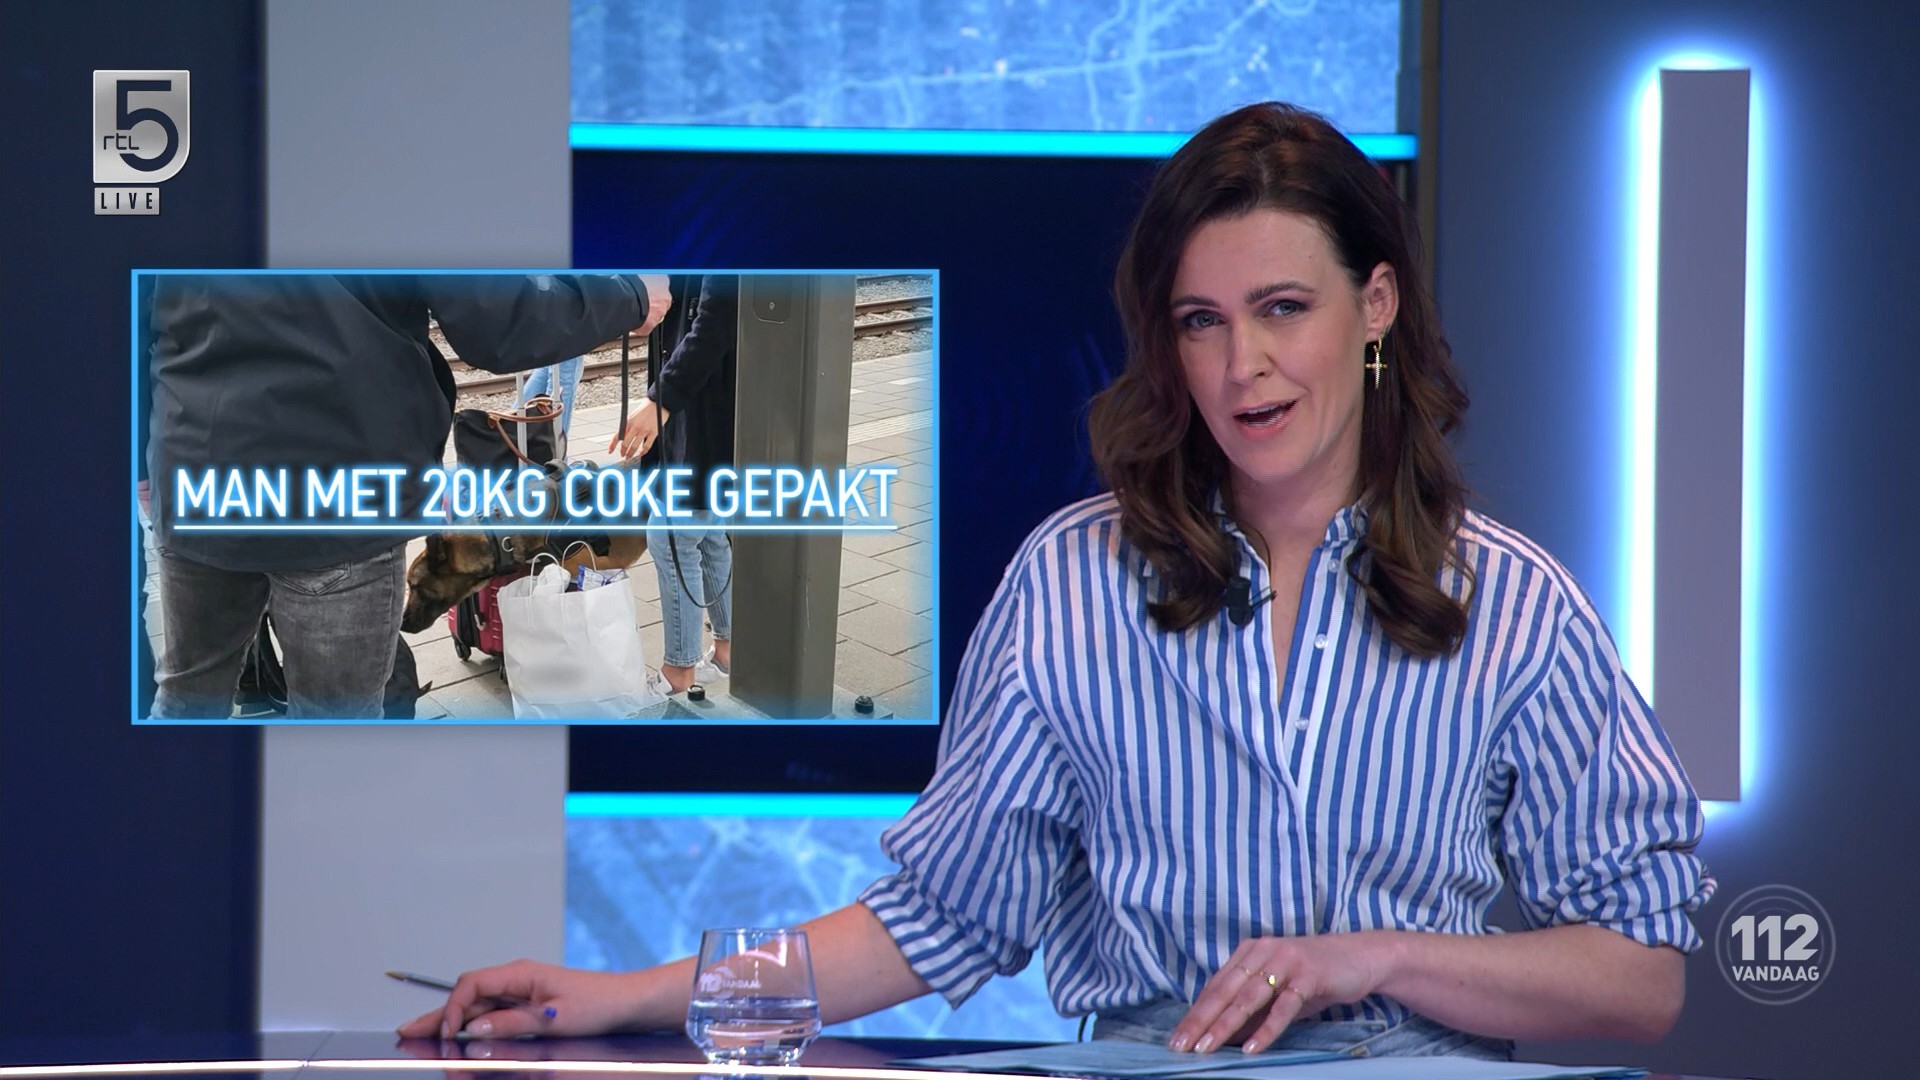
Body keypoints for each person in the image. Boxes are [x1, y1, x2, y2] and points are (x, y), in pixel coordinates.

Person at [400, 104, 1711, 1058]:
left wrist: (1375, 958)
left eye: (1283, 309)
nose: (1243, 367)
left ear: (1374, 308)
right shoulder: (1072, 584)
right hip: (1151, 1062)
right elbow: (933, 922)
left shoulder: (1516, 605)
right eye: (1201, 322)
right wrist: (624, 996)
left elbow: (1639, 979)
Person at [146, 273, 670, 720]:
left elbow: (129, 317)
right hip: (339, 490)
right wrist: (630, 295)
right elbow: (497, 319)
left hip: (195, 472)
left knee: (188, 694)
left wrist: (140, 464)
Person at [611, 274, 738, 694]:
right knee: (709, 531)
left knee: (670, 535)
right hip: (697, 397)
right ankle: (728, 651)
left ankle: (678, 672)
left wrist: (660, 400)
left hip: (704, 398)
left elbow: (717, 320)